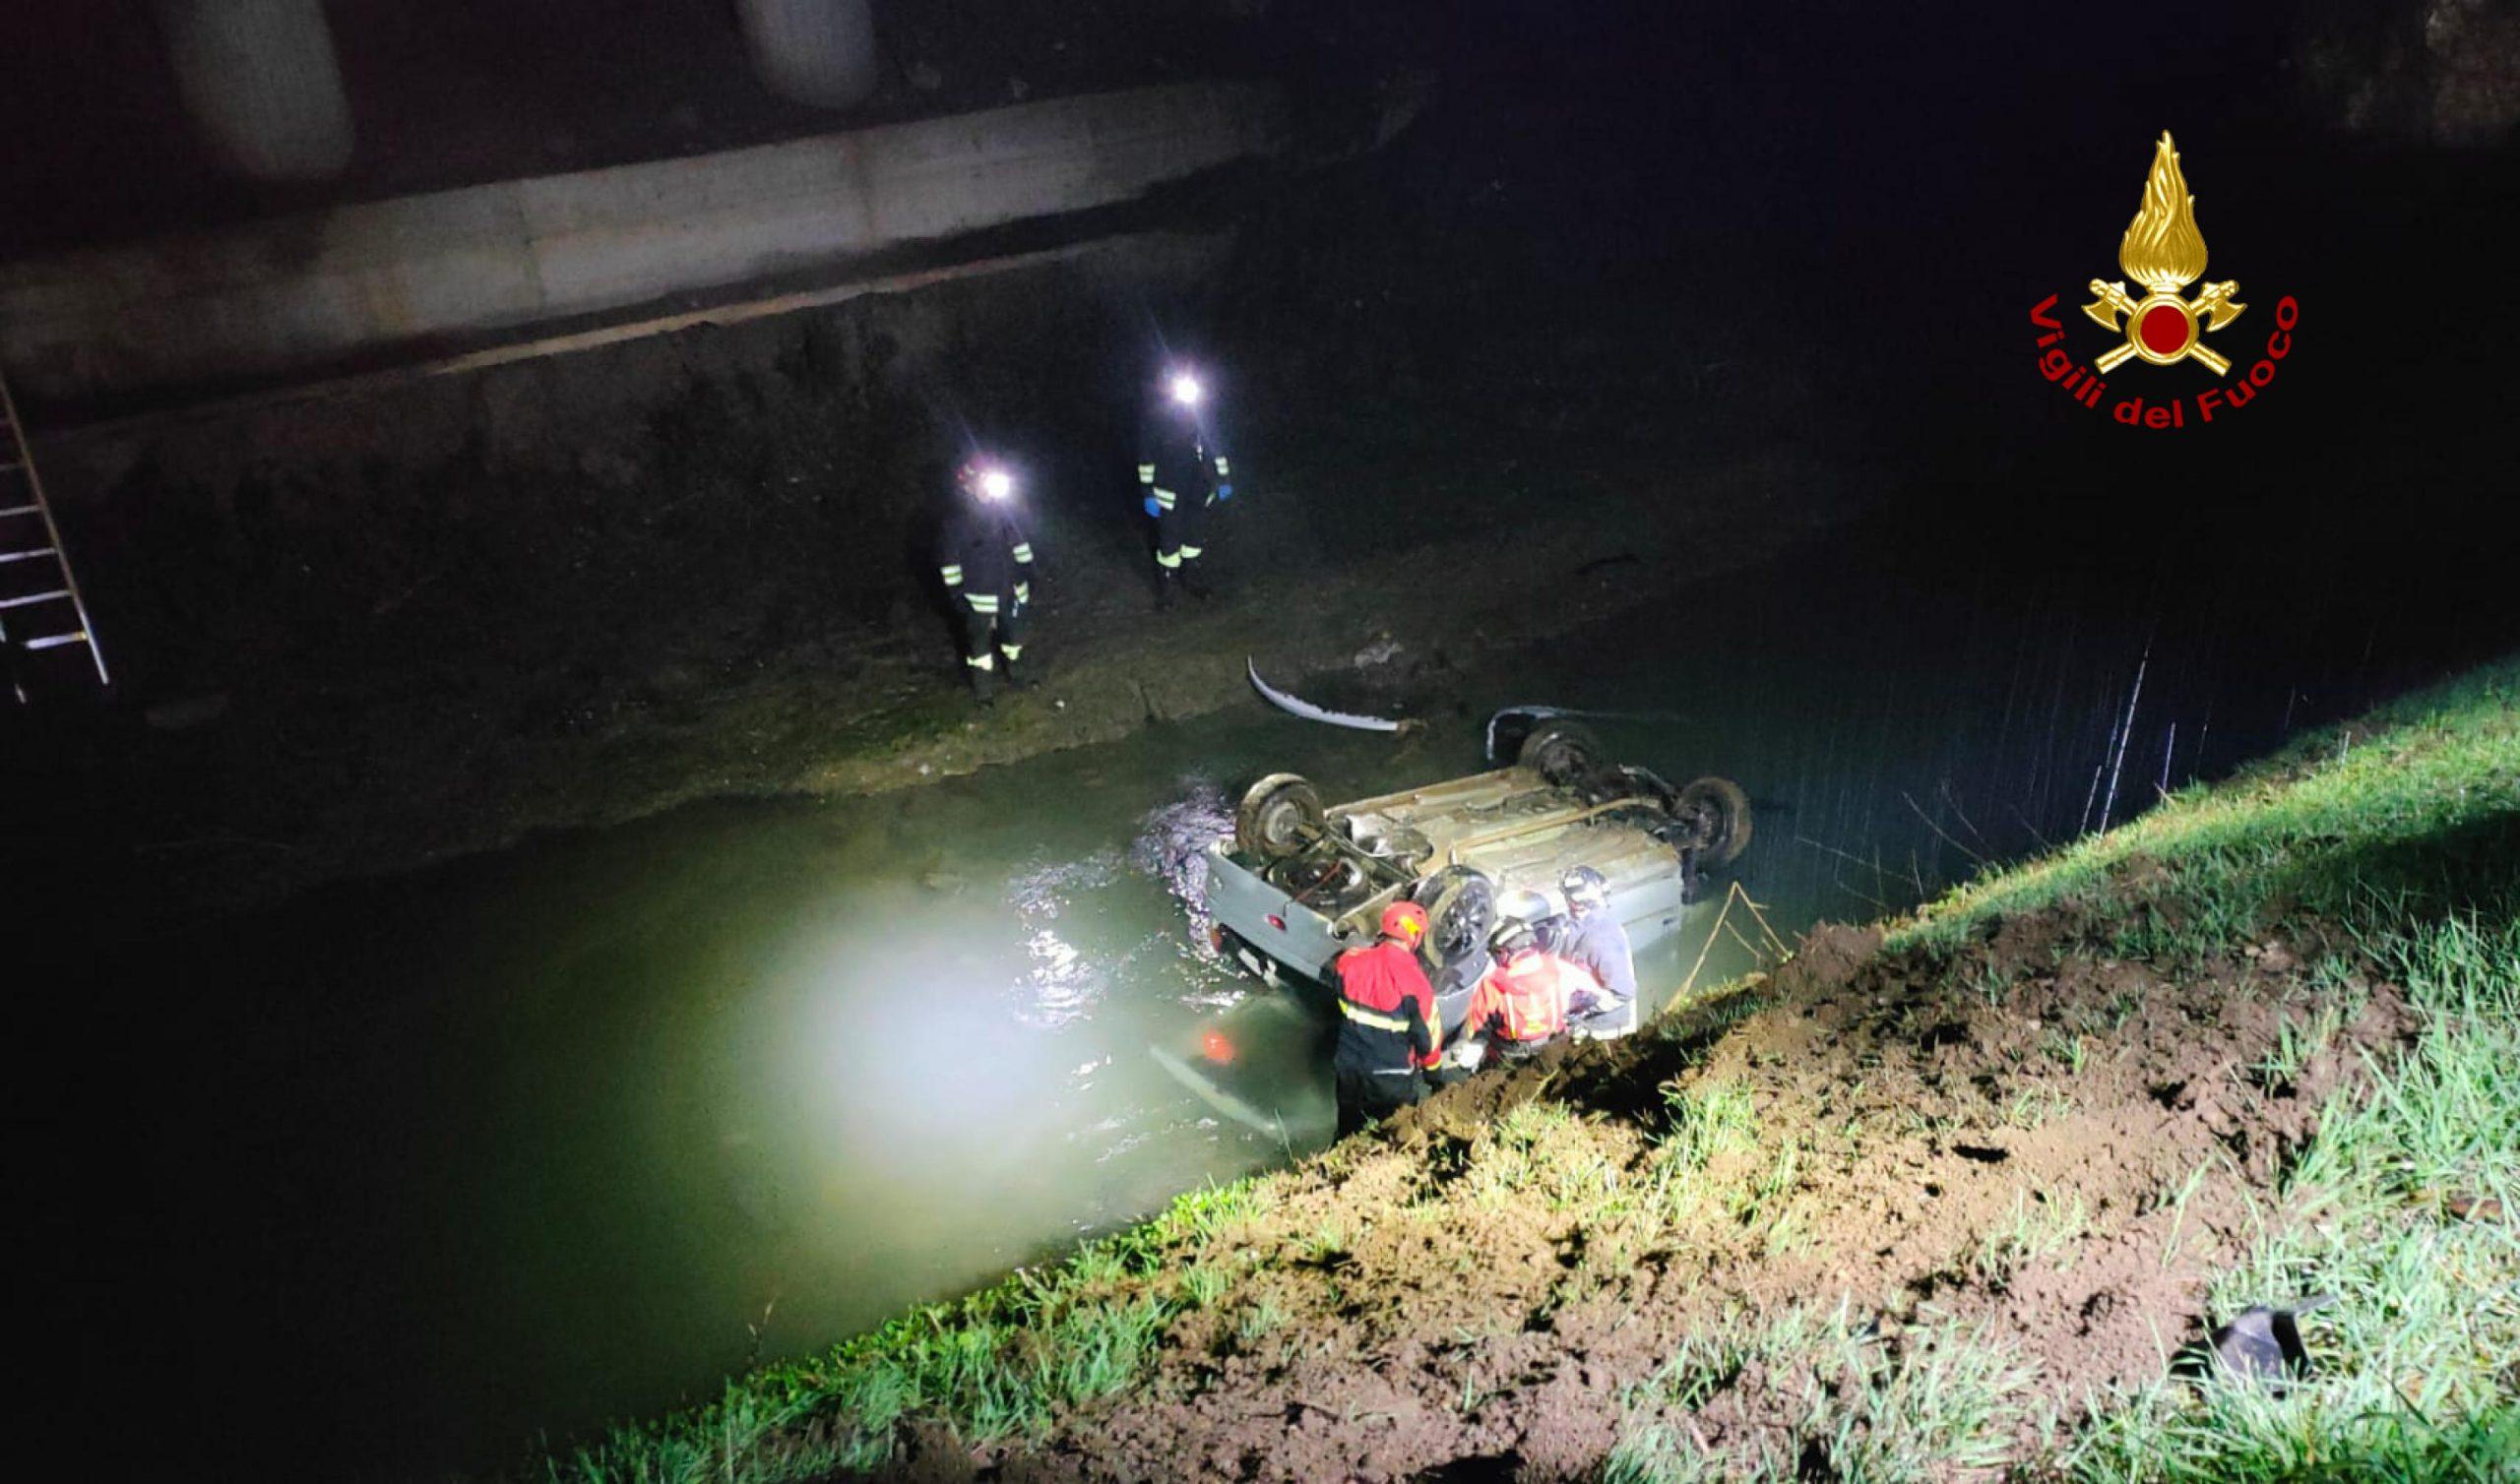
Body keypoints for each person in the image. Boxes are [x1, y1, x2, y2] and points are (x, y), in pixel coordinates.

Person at [1331, 899, 1440, 1136]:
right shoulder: (1417, 984)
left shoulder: (1349, 962)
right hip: (1391, 1078)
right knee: (1395, 1134)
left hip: (1349, 1070)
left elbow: (1339, 989)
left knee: (1347, 1130)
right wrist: (1435, 1077)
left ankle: (1332, 1164)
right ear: (1415, 936)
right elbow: (1427, 1040)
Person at [936, 457, 1036, 704]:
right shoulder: (956, 523)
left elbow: (1020, 544)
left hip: (1010, 590)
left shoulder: (1004, 515)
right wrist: (957, 596)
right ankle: (984, 693)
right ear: (968, 486)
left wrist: (1028, 572)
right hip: (977, 598)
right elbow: (949, 563)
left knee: (1015, 637)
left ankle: (1018, 676)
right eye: (982, 482)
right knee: (979, 647)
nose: (987, 488)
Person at [1136, 365, 1233, 607]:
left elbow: (1216, 446)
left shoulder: (1201, 415)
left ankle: (1192, 579)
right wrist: (1147, 492)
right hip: (1168, 490)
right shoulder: (1156, 418)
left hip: (1198, 488)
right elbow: (1145, 456)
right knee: (1170, 542)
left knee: (1194, 537)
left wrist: (1224, 479)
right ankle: (1167, 591)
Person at [1457, 906, 1584, 1069]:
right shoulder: (1559, 968)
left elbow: (1477, 1025)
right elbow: (1588, 996)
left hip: (1510, 1055)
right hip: (1554, 1048)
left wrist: (1474, 1046)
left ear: (1504, 952)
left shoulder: (1492, 984)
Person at [1552, 865, 1639, 1038]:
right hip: (1588, 1019)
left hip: (1607, 1029)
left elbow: (1623, 993)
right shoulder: (1578, 924)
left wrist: (1580, 1011)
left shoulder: (1602, 938)